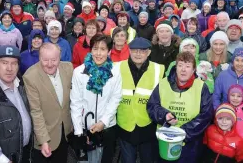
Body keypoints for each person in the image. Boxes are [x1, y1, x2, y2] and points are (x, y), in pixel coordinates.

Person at [147, 52, 213, 162]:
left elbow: (206, 115)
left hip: (190, 143)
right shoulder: (163, 83)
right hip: (165, 140)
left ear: (193, 70)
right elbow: (152, 106)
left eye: (188, 66)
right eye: (180, 65)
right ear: (175, 67)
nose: (183, 69)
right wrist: (164, 115)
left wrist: (183, 132)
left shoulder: (201, 87)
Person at [70, 34, 122, 163]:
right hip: (86, 126)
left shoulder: (115, 72)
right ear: (90, 50)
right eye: (95, 48)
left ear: (109, 51)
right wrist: (78, 132)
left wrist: (103, 122)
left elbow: (115, 98)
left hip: (108, 126)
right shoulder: (79, 72)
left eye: (103, 49)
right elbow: (75, 102)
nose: (98, 53)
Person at [115, 37, 164, 163]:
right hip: (125, 125)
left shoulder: (159, 69)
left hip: (147, 126)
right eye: (135, 50)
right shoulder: (116, 68)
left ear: (148, 53)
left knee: (147, 159)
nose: (138, 54)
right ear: (129, 51)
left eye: (142, 51)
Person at [23, 43, 74, 162]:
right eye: (45, 60)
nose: (50, 64)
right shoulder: (30, 77)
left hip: (65, 132)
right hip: (45, 135)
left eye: (54, 60)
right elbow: (36, 111)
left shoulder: (68, 68)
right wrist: (44, 141)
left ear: (60, 57)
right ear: (39, 58)